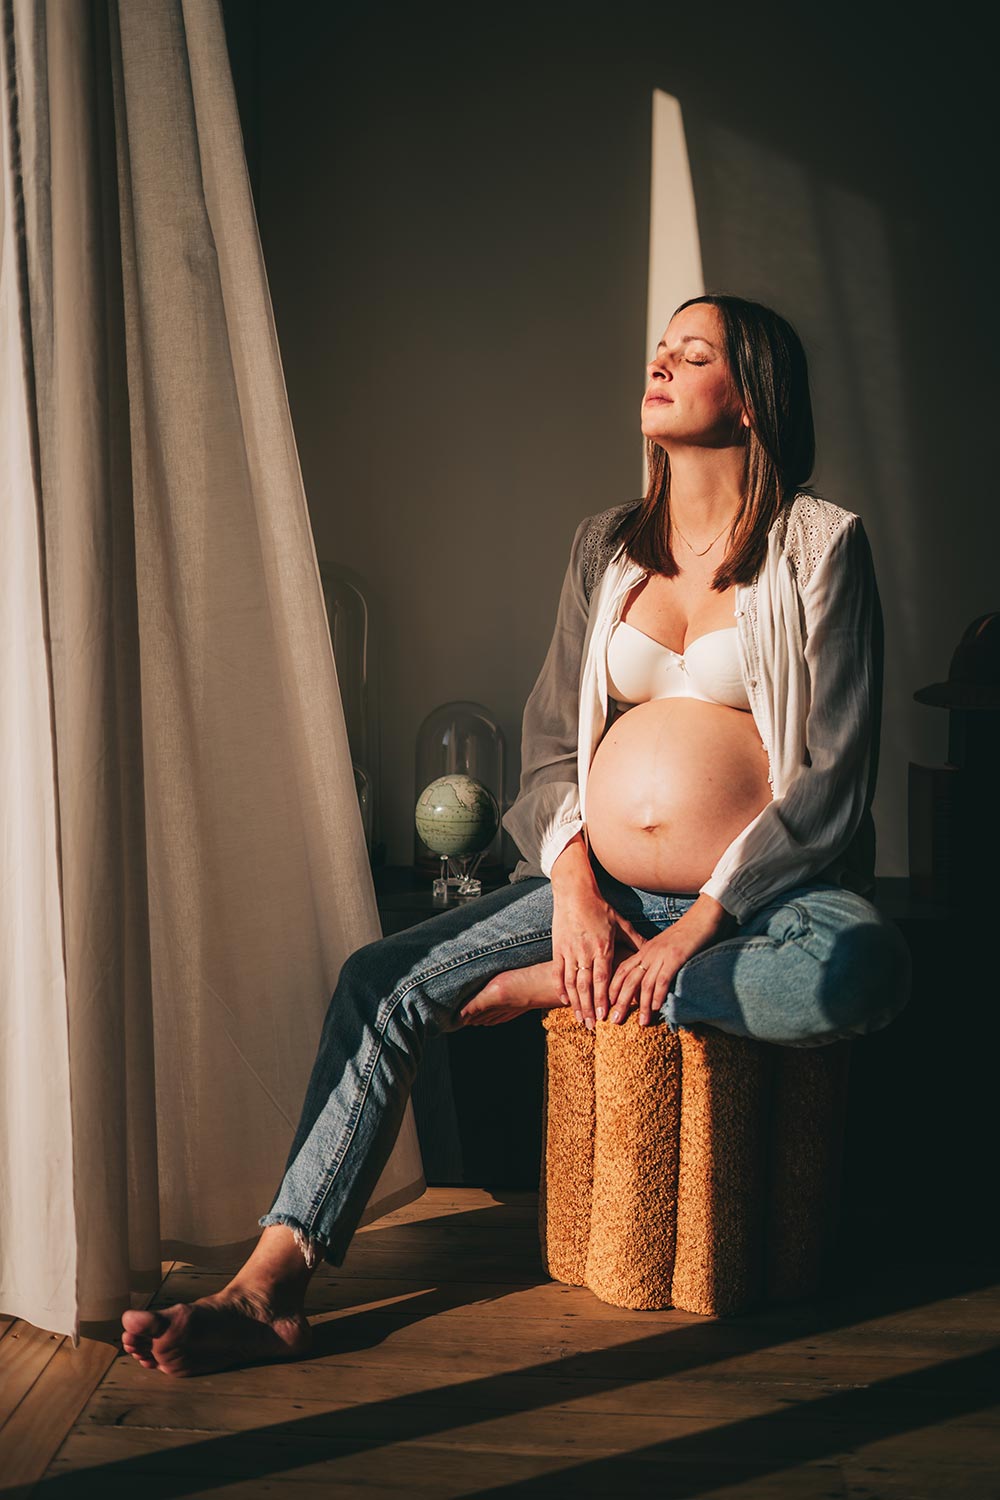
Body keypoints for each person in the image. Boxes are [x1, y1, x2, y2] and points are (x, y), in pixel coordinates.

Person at [121, 293, 911, 1376]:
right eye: (660, 347)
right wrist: (579, 892)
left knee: (861, 967)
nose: (662, 361)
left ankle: (571, 985)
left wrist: (699, 930)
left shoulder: (823, 547)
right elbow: (549, 756)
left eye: (696, 352)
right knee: (377, 979)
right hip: (607, 890)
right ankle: (270, 1285)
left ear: (754, 396)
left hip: (763, 897)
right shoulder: (604, 548)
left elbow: (831, 779)